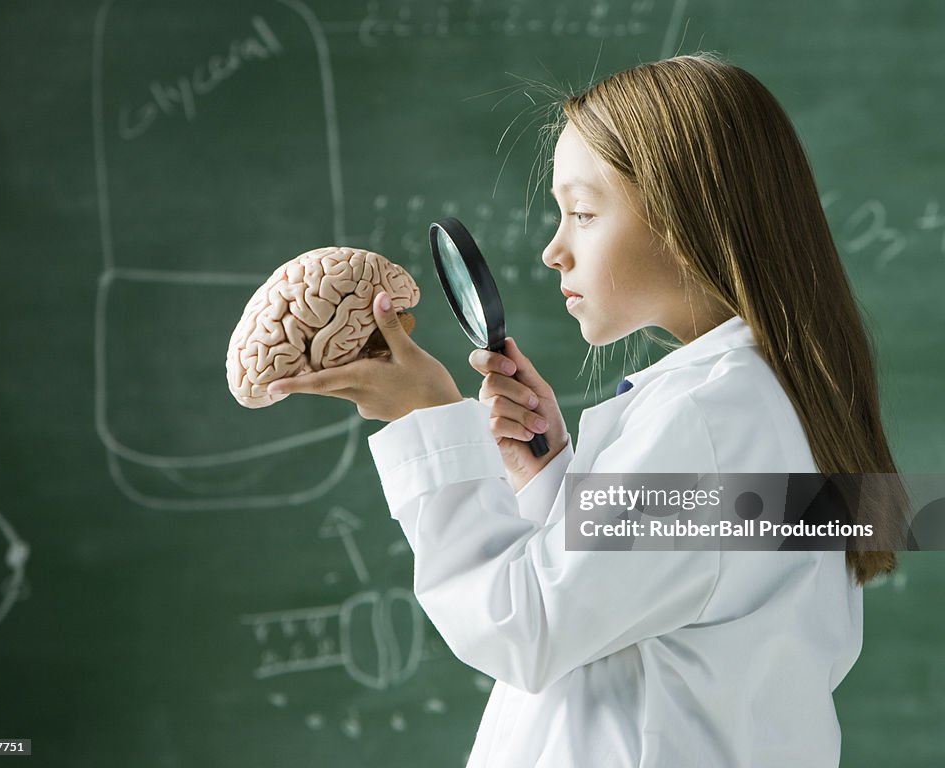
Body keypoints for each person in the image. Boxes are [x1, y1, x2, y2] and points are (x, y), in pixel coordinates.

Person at [268, 53, 905, 767]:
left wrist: (424, 417)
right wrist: (554, 482)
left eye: (584, 213)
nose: (553, 250)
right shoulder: (757, 401)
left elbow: (525, 627)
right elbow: (650, 602)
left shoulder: (707, 418)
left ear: (687, 219)